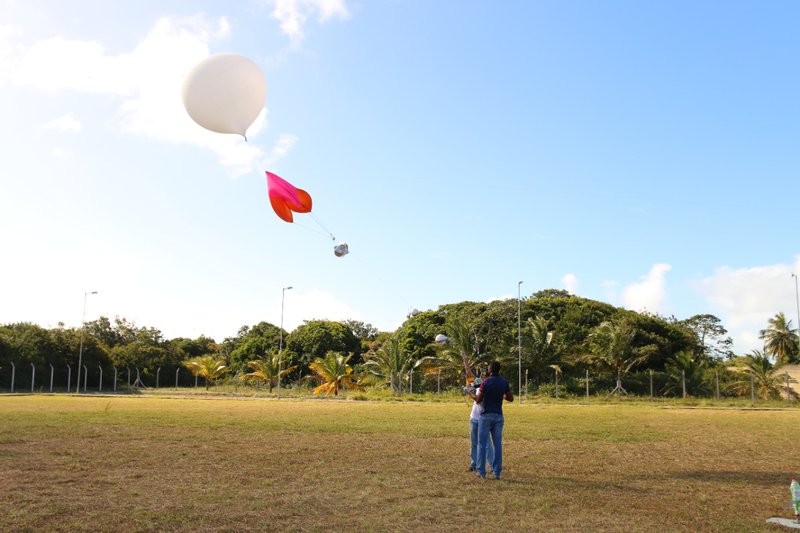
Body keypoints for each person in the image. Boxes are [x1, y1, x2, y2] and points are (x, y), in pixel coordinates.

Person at [474, 360, 513, 479]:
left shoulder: (485, 382)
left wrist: (471, 394)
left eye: (488, 367)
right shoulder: (504, 382)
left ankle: (481, 472)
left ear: (490, 369)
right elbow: (510, 398)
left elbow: (478, 400)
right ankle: (497, 472)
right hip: (498, 416)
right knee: (497, 445)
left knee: (481, 444)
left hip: (486, 416)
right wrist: (501, 394)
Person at [468, 373, 494, 472]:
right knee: (474, 443)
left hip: (483, 419)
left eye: (485, 377)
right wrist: (465, 359)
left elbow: (478, 400)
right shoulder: (480, 385)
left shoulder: (490, 390)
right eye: (482, 377)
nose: (482, 379)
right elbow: (469, 373)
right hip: (474, 418)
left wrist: (470, 392)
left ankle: (492, 466)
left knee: (487, 444)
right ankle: (473, 464)